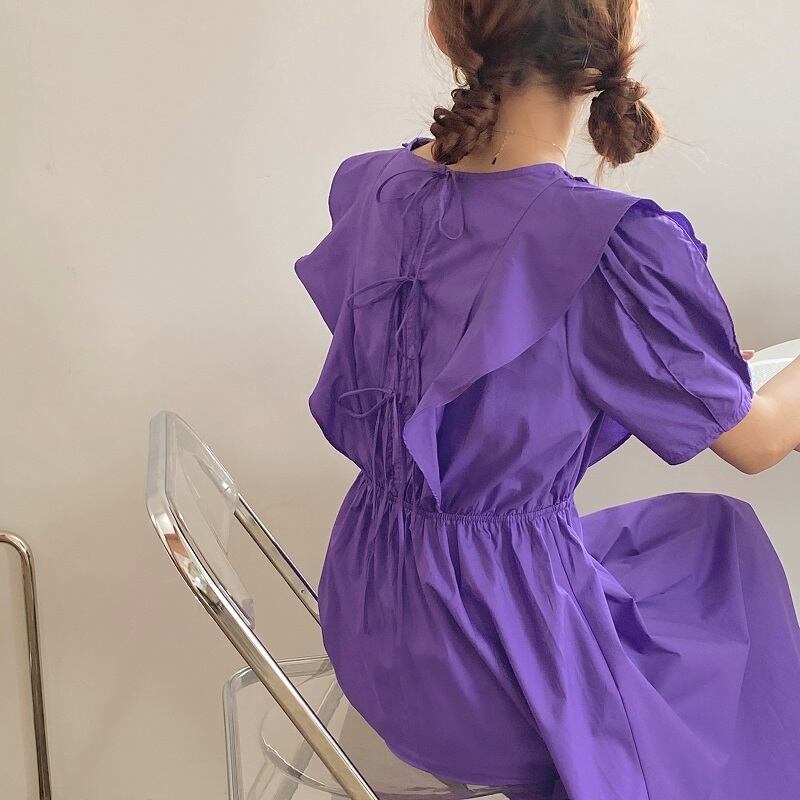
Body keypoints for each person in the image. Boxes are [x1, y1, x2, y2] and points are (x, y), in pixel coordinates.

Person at [294, 1, 800, 798]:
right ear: (614, 46)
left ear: (446, 33)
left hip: (370, 617)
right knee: (727, 589)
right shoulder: (608, 244)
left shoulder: (375, 185)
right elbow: (759, 440)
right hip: (488, 664)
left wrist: (683, 366)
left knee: (707, 536)